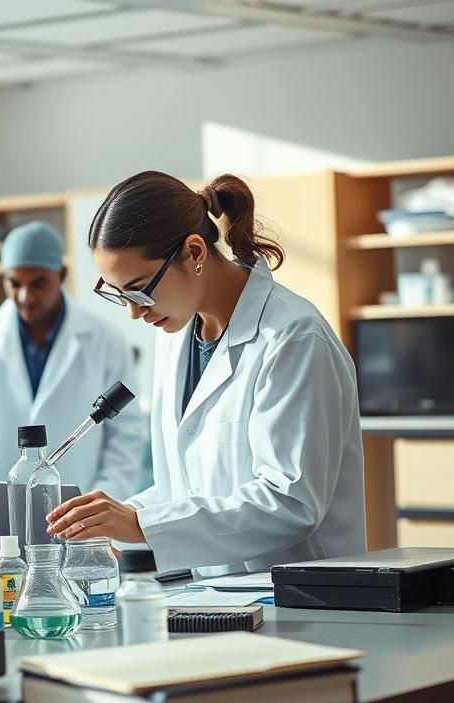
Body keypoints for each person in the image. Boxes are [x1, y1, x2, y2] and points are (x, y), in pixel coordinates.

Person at [45, 172, 366, 577]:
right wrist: (120, 516)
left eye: (140, 289)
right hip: (217, 600)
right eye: (119, 294)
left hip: (302, 599)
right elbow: (185, 488)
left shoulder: (292, 337)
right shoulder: (175, 336)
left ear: (194, 252)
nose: (133, 311)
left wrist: (141, 525)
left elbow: (290, 502)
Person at [0, 221, 144, 497]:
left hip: (86, 511)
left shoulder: (106, 339)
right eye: (14, 283)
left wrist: (101, 501)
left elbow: (125, 436)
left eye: (38, 283)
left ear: (62, 274)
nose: (25, 296)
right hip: (3, 512)